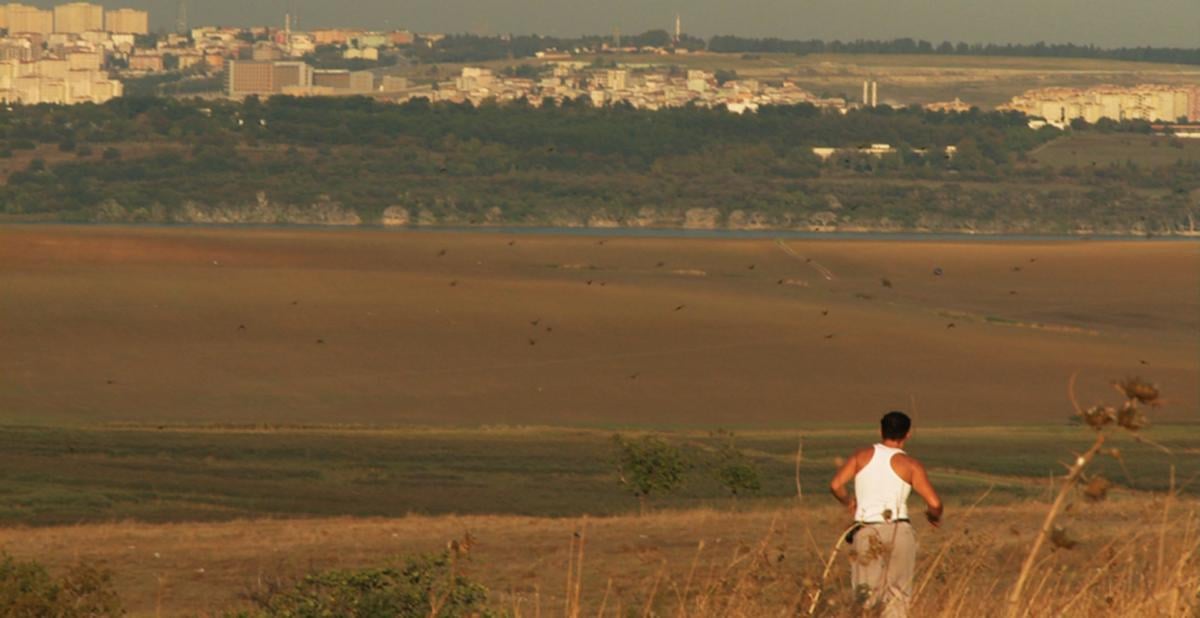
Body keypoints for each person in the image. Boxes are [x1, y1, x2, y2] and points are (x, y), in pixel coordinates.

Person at [829, 411, 943, 618]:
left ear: (880, 430)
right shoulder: (911, 465)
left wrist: (849, 502)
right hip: (899, 531)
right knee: (897, 596)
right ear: (907, 434)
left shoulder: (861, 456)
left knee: (865, 596)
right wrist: (932, 516)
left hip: (866, 531)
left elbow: (836, 485)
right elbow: (935, 503)